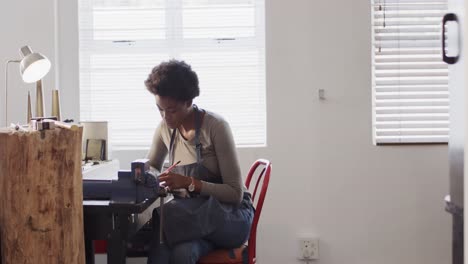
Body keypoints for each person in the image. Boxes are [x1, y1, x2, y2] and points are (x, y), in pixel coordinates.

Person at [144, 59, 254, 264]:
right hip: (194, 221)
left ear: (189, 101)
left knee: (163, 220)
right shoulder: (164, 128)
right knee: (182, 253)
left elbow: (235, 194)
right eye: (160, 109)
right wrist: (150, 176)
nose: (165, 116)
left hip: (230, 217)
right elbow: (151, 166)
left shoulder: (216, 127)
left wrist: (188, 183)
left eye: (172, 110)